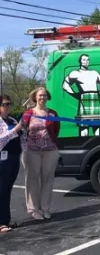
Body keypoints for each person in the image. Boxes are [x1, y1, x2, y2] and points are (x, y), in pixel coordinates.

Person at [21, 87, 61, 220]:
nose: (42, 98)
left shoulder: (53, 114)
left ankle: (45, 208)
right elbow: (21, 130)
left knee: (48, 179)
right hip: (31, 151)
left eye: (44, 96)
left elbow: (56, 130)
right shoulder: (28, 113)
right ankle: (33, 209)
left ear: (47, 97)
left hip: (50, 150)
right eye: (40, 96)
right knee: (32, 180)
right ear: (35, 97)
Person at [0, 95, 24, 233]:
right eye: (5, 104)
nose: (8, 106)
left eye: (10, 104)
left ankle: (6, 220)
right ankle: (1, 222)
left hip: (14, 158)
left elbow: (21, 135)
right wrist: (15, 130)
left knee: (7, 190)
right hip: (2, 159)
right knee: (1, 190)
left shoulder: (12, 119)